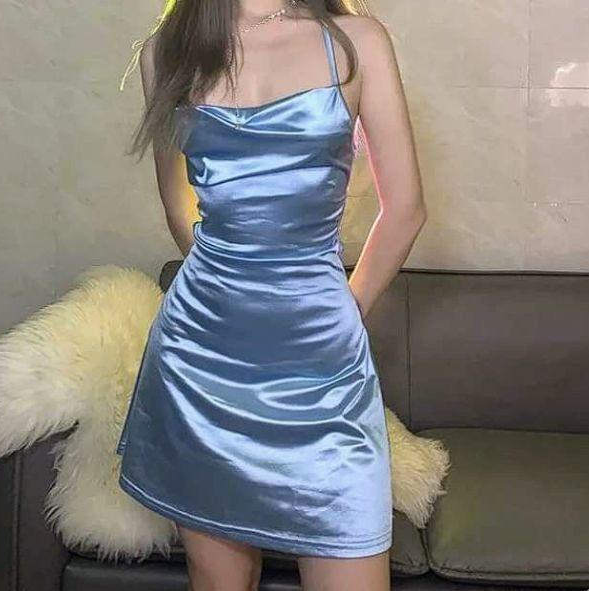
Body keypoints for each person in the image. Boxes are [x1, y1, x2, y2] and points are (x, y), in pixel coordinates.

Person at [116, 1, 426, 589]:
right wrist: (233, 283)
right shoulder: (167, 50)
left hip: (321, 367)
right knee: (219, 580)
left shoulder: (356, 41)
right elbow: (178, 207)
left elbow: (406, 209)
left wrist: (342, 309)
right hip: (200, 361)